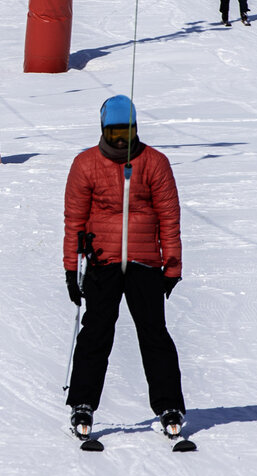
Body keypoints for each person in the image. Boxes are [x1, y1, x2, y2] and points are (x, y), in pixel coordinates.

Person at [63, 95, 186, 442]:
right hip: (102, 262)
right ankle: (83, 402)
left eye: (127, 131)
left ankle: (169, 405)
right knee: (96, 333)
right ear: (103, 129)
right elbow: (74, 220)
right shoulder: (85, 164)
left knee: (154, 334)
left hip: (146, 263)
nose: (120, 139)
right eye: (114, 132)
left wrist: (172, 266)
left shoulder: (154, 163)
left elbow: (169, 217)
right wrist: (72, 269)